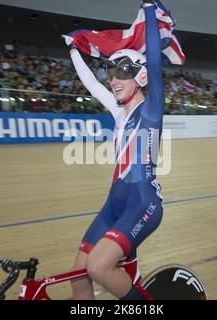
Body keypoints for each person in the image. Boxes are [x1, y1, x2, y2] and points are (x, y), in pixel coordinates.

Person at [66, 0, 165, 300]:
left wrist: (149, 8)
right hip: (114, 205)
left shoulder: (151, 110)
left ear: (141, 78)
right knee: (78, 280)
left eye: (122, 73)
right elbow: (92, 86)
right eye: (112, 74)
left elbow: (156, 62)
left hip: (142, 203)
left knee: (97, 268)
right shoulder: (119, 112)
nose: (114, 80)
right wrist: (73, 50)